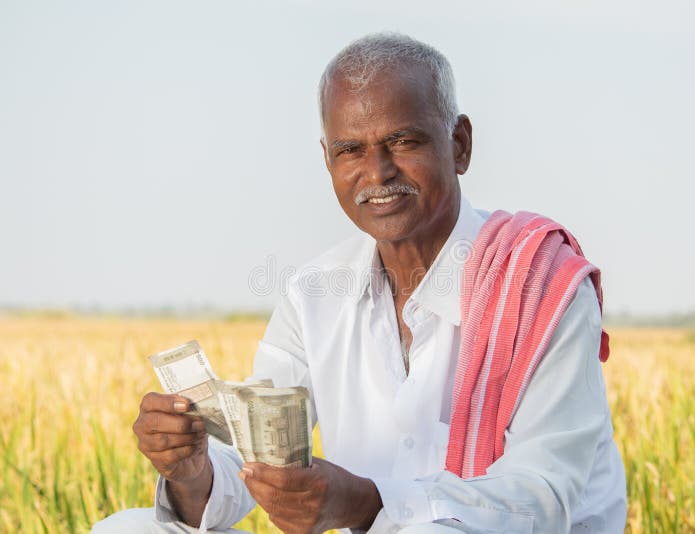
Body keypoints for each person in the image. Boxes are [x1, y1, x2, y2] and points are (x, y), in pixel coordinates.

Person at [93, 33, 627, 534]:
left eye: (403, 141)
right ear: (327, 161)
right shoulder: (313, 295)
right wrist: (192, 471)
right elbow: (258, 463)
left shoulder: (539, 285)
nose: (377, 172)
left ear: (459, 144)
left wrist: (366, 503)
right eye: (351, 150)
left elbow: (543, 495)